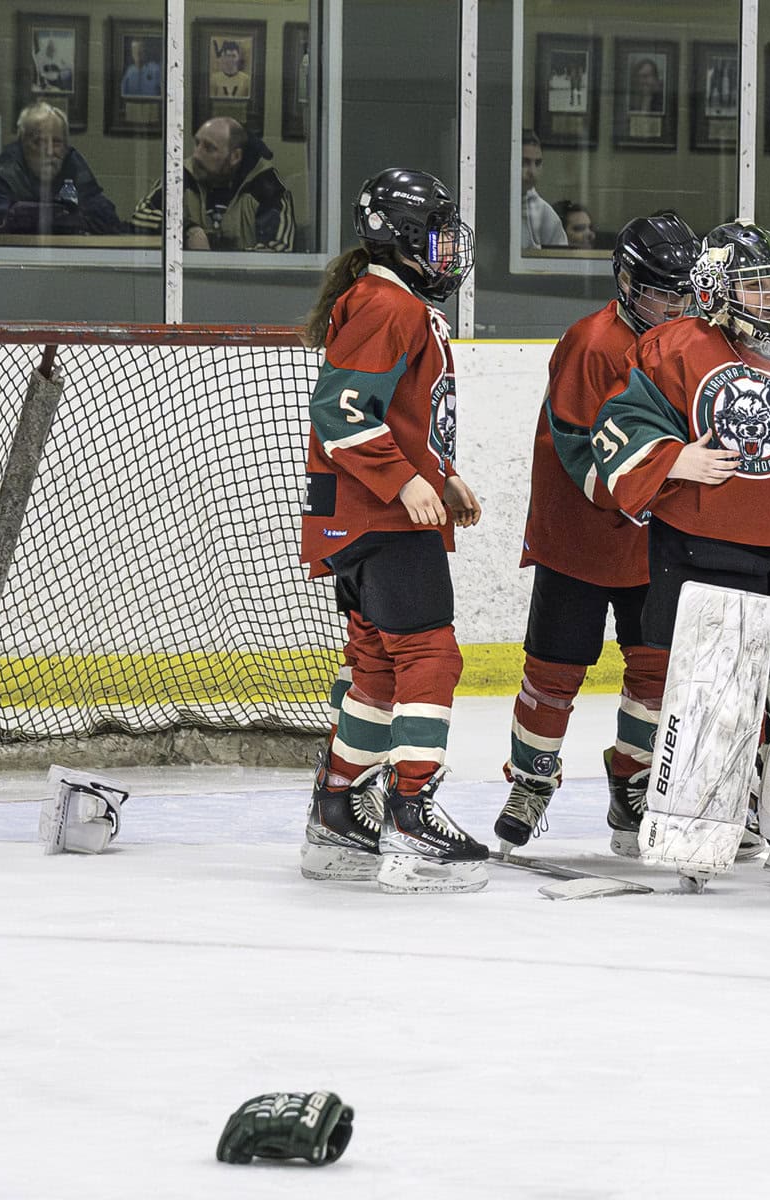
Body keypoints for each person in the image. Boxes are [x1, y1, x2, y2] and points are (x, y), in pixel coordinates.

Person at [591, 221, 770, 884]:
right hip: (707, 551)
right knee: (715, 694)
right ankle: (696, 823)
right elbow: (618, 426)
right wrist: (672, 459)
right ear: (717, 289)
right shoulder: (674, 348)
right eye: (756, 284)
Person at [297, 167, 485, 895]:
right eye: (435, 237)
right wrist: (407, 482)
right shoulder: (386, 306)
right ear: (399, 239)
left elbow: (398, 414)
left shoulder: (390, 300)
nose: (447, 252)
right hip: (380, 514)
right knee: (431, 656)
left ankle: (339, 809)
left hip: (365, 513)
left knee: (376, 667)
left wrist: (438, 475)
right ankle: (410, 812)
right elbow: (341, 411)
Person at [494, 211, 701, 857]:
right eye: (663, 291)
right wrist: (650, 492)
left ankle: (631, 782)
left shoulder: (691, 345)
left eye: (684, 292)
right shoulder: (591, 343)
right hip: (579, 538)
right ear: (628, 283)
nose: (675, 304)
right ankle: (530, 783)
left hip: (653, 543)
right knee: (552, 673)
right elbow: (580, 450)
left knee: (654, 670)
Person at [130, 116, 295, 251]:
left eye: (209, 148)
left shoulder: (265, 185)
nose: (197, 154)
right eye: (197, 144)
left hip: (246, 287)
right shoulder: (183, 175)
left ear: (235, 156)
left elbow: (279, 248)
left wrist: (224, 262)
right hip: (188, 282)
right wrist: (187, 230)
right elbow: (140, 218)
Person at [0, 102, 122, 235]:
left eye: (56, 142)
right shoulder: (7, 169)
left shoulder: (72, 163)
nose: (49, 151)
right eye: (40, 142)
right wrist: (66, 215)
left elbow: (107, 218)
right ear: (22, 144)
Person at [520, 129, 567, 249]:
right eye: (524, 162)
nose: (532, 172)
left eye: (538, 163)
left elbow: (558, 261)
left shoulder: (545, 214)